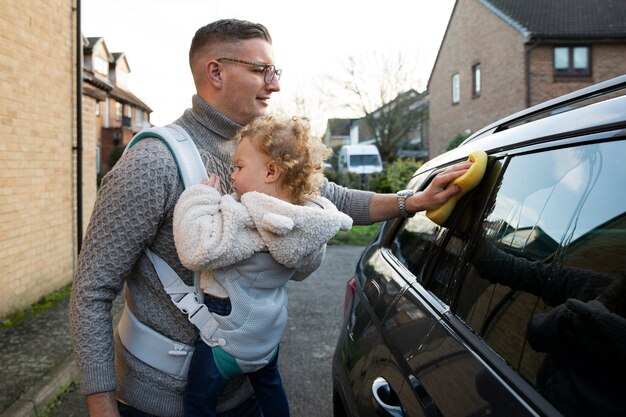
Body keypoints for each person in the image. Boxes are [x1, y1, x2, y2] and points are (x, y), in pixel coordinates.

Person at [70, 18, 470, 417]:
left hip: (246, 393)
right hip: (161, 403)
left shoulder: (259, 148)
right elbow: (92, 290)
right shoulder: (150, 163)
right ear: (216, 72)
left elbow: (335, 198)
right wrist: (102, 408)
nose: (274, 84)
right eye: (262, 70)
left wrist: (412, 201)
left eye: (274, 72)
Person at [174, 114, 352, 416]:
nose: (231, 174)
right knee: (271, 391)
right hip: (266, 339)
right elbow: (303, 270)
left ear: (270, 171)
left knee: (198, 404)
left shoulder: (243, 219)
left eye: (239, 166)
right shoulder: (308, 223)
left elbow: (195, 249)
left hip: (225, 340)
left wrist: (200, 198)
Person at [472, 240, 626, 417]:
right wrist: (472, 235)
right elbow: (519, 270)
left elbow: (518, 270)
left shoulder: (594, 299)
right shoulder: (597, 290)